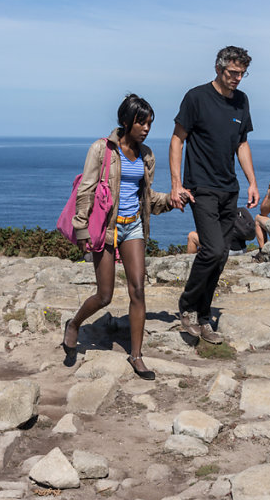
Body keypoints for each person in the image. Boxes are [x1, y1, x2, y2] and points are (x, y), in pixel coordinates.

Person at [62, 94, 174, 379]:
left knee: (138, 290)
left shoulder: (147, 154)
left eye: (149, 123)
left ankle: (136, 356)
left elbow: (145, 197)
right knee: (105, 295)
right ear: (126, 121)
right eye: (141, 122)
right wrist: (81, 229)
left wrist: (171, 200)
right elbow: (86, 189)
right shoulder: (102, 149)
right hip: (106, 228)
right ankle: (74, 324)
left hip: (132, 226)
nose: (146, 128)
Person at [170, 46, 259, 344]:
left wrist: (252, 182)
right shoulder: (196, 97)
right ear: (219, 68)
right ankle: (187, 306)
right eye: (233, 72)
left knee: (221, 256)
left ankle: (204, 316)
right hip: (200, 187)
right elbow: (177, 140)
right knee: (211, 250)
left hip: (229, 188)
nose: (238, 79)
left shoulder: (241, 101)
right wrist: (175, 185)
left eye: (242, 74)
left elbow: (242, 144)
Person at [187, 207, 256, 256]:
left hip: (226, 252)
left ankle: (191, 261)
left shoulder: (216, 213)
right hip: (242, 250)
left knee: (192, 236)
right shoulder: (238, 212)